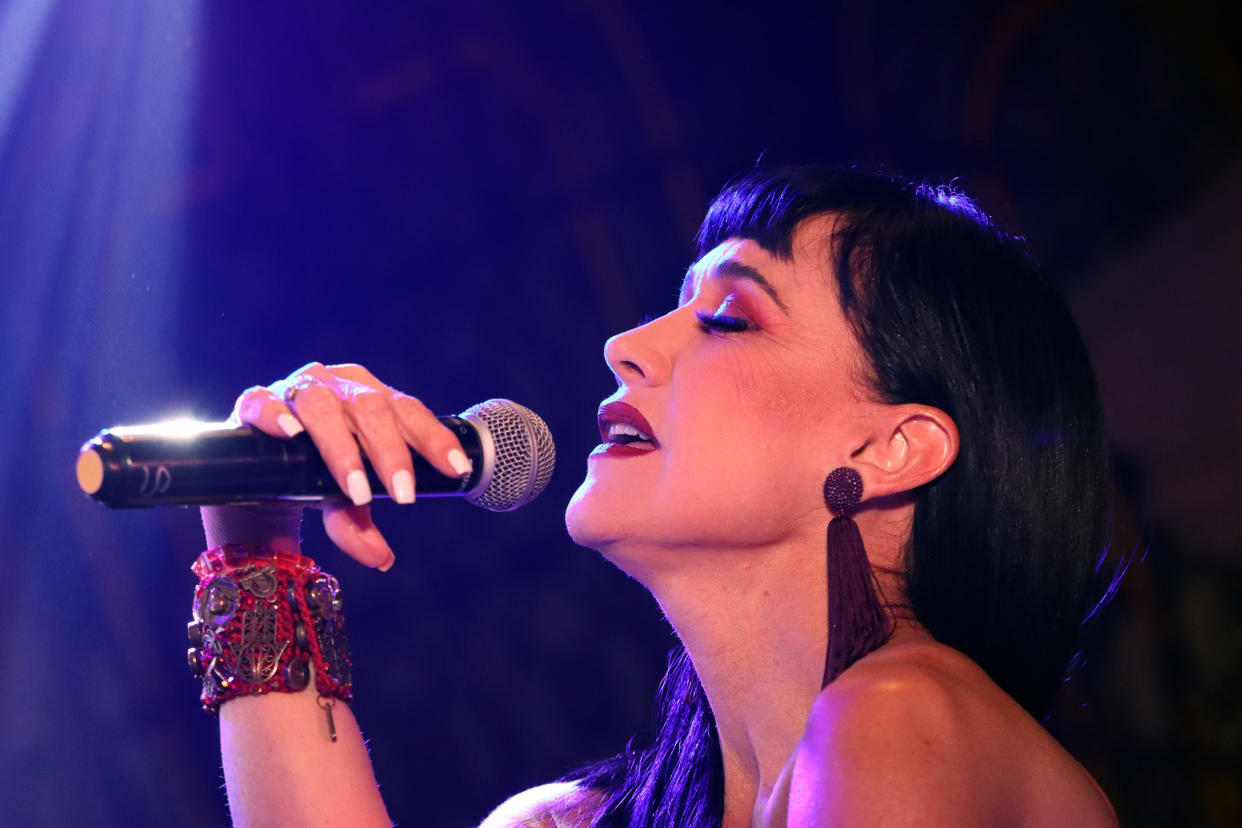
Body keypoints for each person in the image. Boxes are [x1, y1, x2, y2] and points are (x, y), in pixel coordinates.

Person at [194, 166, 1119, 826]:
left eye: (727, 317)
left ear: (891, 446)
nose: (627, 343)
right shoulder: (576, 821)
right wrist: (256, 547)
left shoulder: (903, 717)